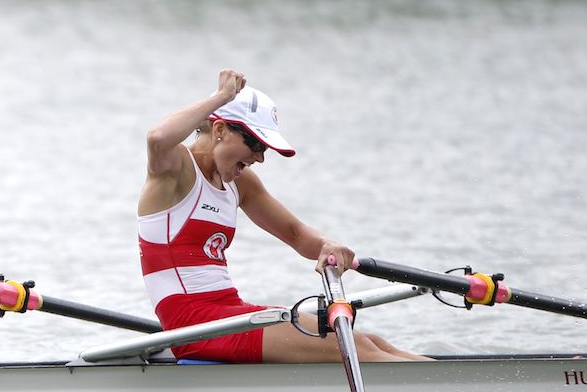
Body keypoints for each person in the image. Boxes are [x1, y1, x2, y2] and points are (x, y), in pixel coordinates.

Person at [138, 69, 428, 363]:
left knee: (369, 342)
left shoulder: (240, 183)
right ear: (220, 130)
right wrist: (221, 97)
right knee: (350, 347)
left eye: (263, 148)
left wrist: (328, 244)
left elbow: (296, 234)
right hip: (193, 325)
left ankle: (451, 389)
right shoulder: (176, 171)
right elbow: (158, 137)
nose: (260, 158)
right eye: (255, 145)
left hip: (226, 311)